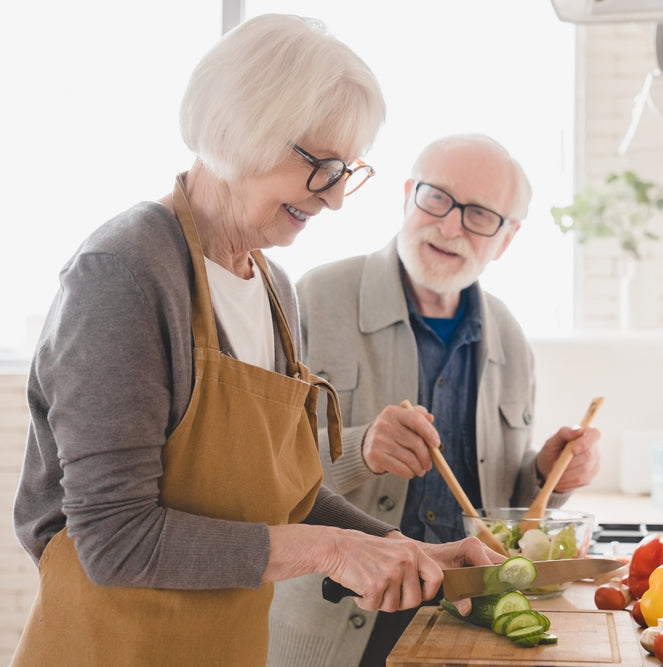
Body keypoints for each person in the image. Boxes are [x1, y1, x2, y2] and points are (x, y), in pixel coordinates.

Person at [11, 15, 500, 666]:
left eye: (346, 171)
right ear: (240, 129)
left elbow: (291, 497)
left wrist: (409, 549)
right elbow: (114, 538)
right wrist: (332, 550)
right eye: (322, 167)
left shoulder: (275, 290)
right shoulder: (123, 277)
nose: (334, 201)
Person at [267, 134, 601, 666]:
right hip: (333, 628)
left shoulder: (512, 339)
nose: (450, 226)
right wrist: (361, 449)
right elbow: (263, 472)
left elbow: (503, 502)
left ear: (507, 238)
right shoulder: (311, 298)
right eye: (437, 198)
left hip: (472, 616)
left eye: (479, 215)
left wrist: (545, 473)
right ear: (407, 196)